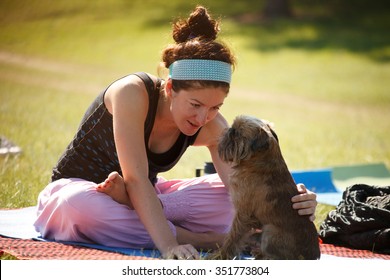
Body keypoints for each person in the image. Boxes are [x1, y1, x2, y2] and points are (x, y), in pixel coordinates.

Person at [34, 6, 318, 260]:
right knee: (79, 207)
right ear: (170, 88)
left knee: (234, 199)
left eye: (215, 107)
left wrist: (290, 201)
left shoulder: (209, 121)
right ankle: (203, 239)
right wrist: (170, 245)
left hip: (149, 194)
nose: (203, 117)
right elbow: (135, 179)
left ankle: (134, 206)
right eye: (195, 105)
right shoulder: (131, 93)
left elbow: (241, 185)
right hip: (78, 192)